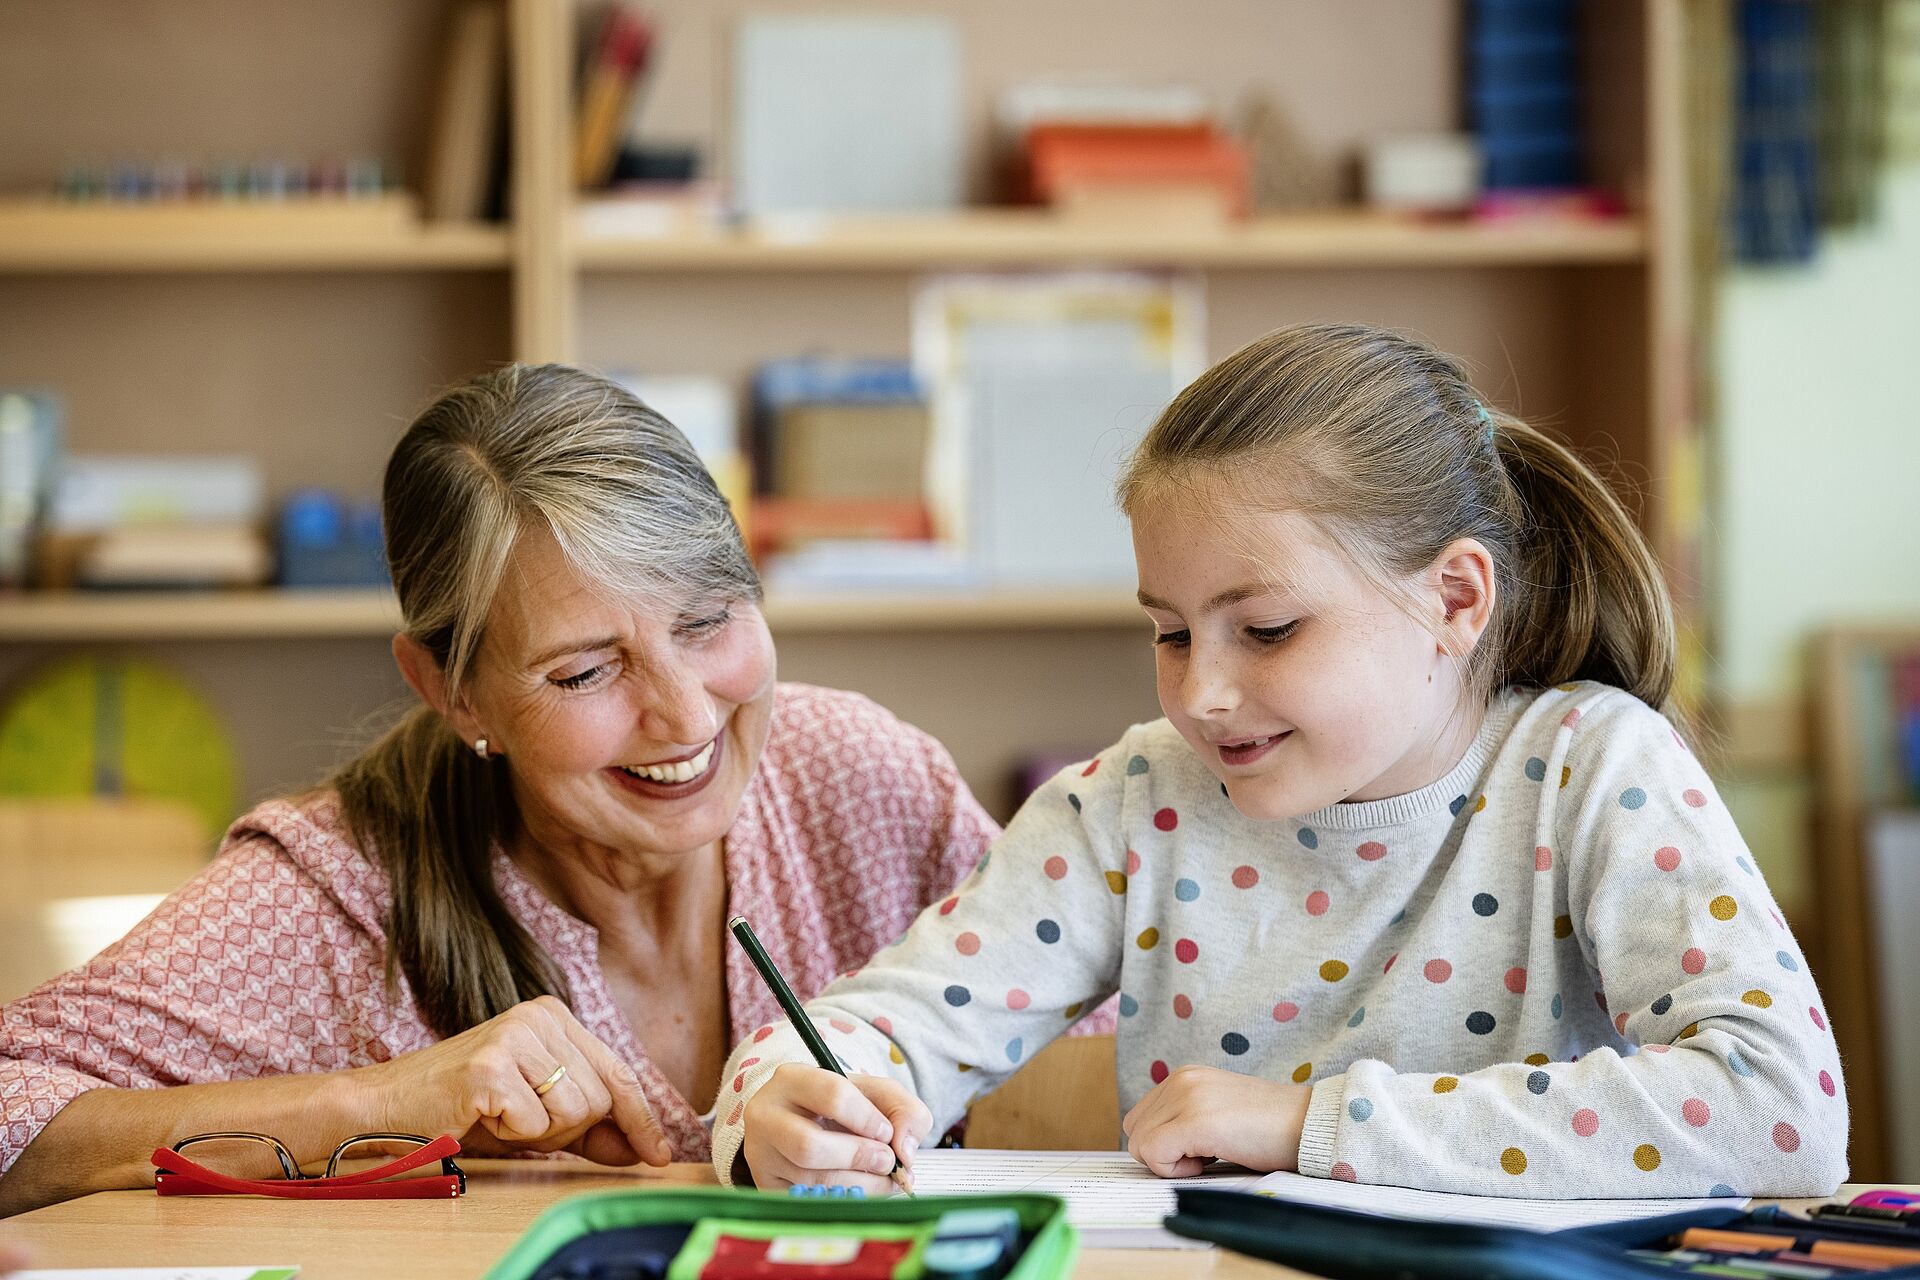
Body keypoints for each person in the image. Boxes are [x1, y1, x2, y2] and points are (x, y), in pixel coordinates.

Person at [715, 323, 1850, 1198]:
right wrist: (782, 1105)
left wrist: (1305, 1123)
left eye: (1265, 629)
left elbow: (1782, 1108)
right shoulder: (1133, 804)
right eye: (1169, 631)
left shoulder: (1593, 766)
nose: (1202, 689)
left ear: (1454, 597)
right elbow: (880, 1024)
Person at [0, 365, 1000, 1216]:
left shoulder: (866, 780)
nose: (690, 716)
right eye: (585, 671)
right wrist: (377, 1103)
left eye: (708, 619)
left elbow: (1098, 1055)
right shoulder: (337, 894)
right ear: (449, 688)